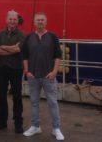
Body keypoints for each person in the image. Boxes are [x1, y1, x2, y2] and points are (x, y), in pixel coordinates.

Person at [22, 12, 65, 140]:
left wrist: (54, 72)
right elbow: (24, 56)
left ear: (46, 22)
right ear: (34, 23)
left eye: (42, 20)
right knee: (34, 102)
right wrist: (27, 71)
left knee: (52, 102)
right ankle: (35, 126)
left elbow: (58, 56)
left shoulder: (52, 37)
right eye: (38, 20)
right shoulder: (28, 37)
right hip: (33, 76)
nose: (40, 22)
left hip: (48, 76)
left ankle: (56, 128)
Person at [0, 10, 25, 133]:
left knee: (17, 96)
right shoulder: (0, 34)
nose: (12, 21)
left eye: (14, 19)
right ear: (6, 20)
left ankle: (18, 123)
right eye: (10, 19)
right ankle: (2, 122)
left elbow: (18, 49)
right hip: (2, 68)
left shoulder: (22, 35)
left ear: (17, 21)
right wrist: (11, 49)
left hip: (16, 69)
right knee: (1, 96)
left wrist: (3, 47)